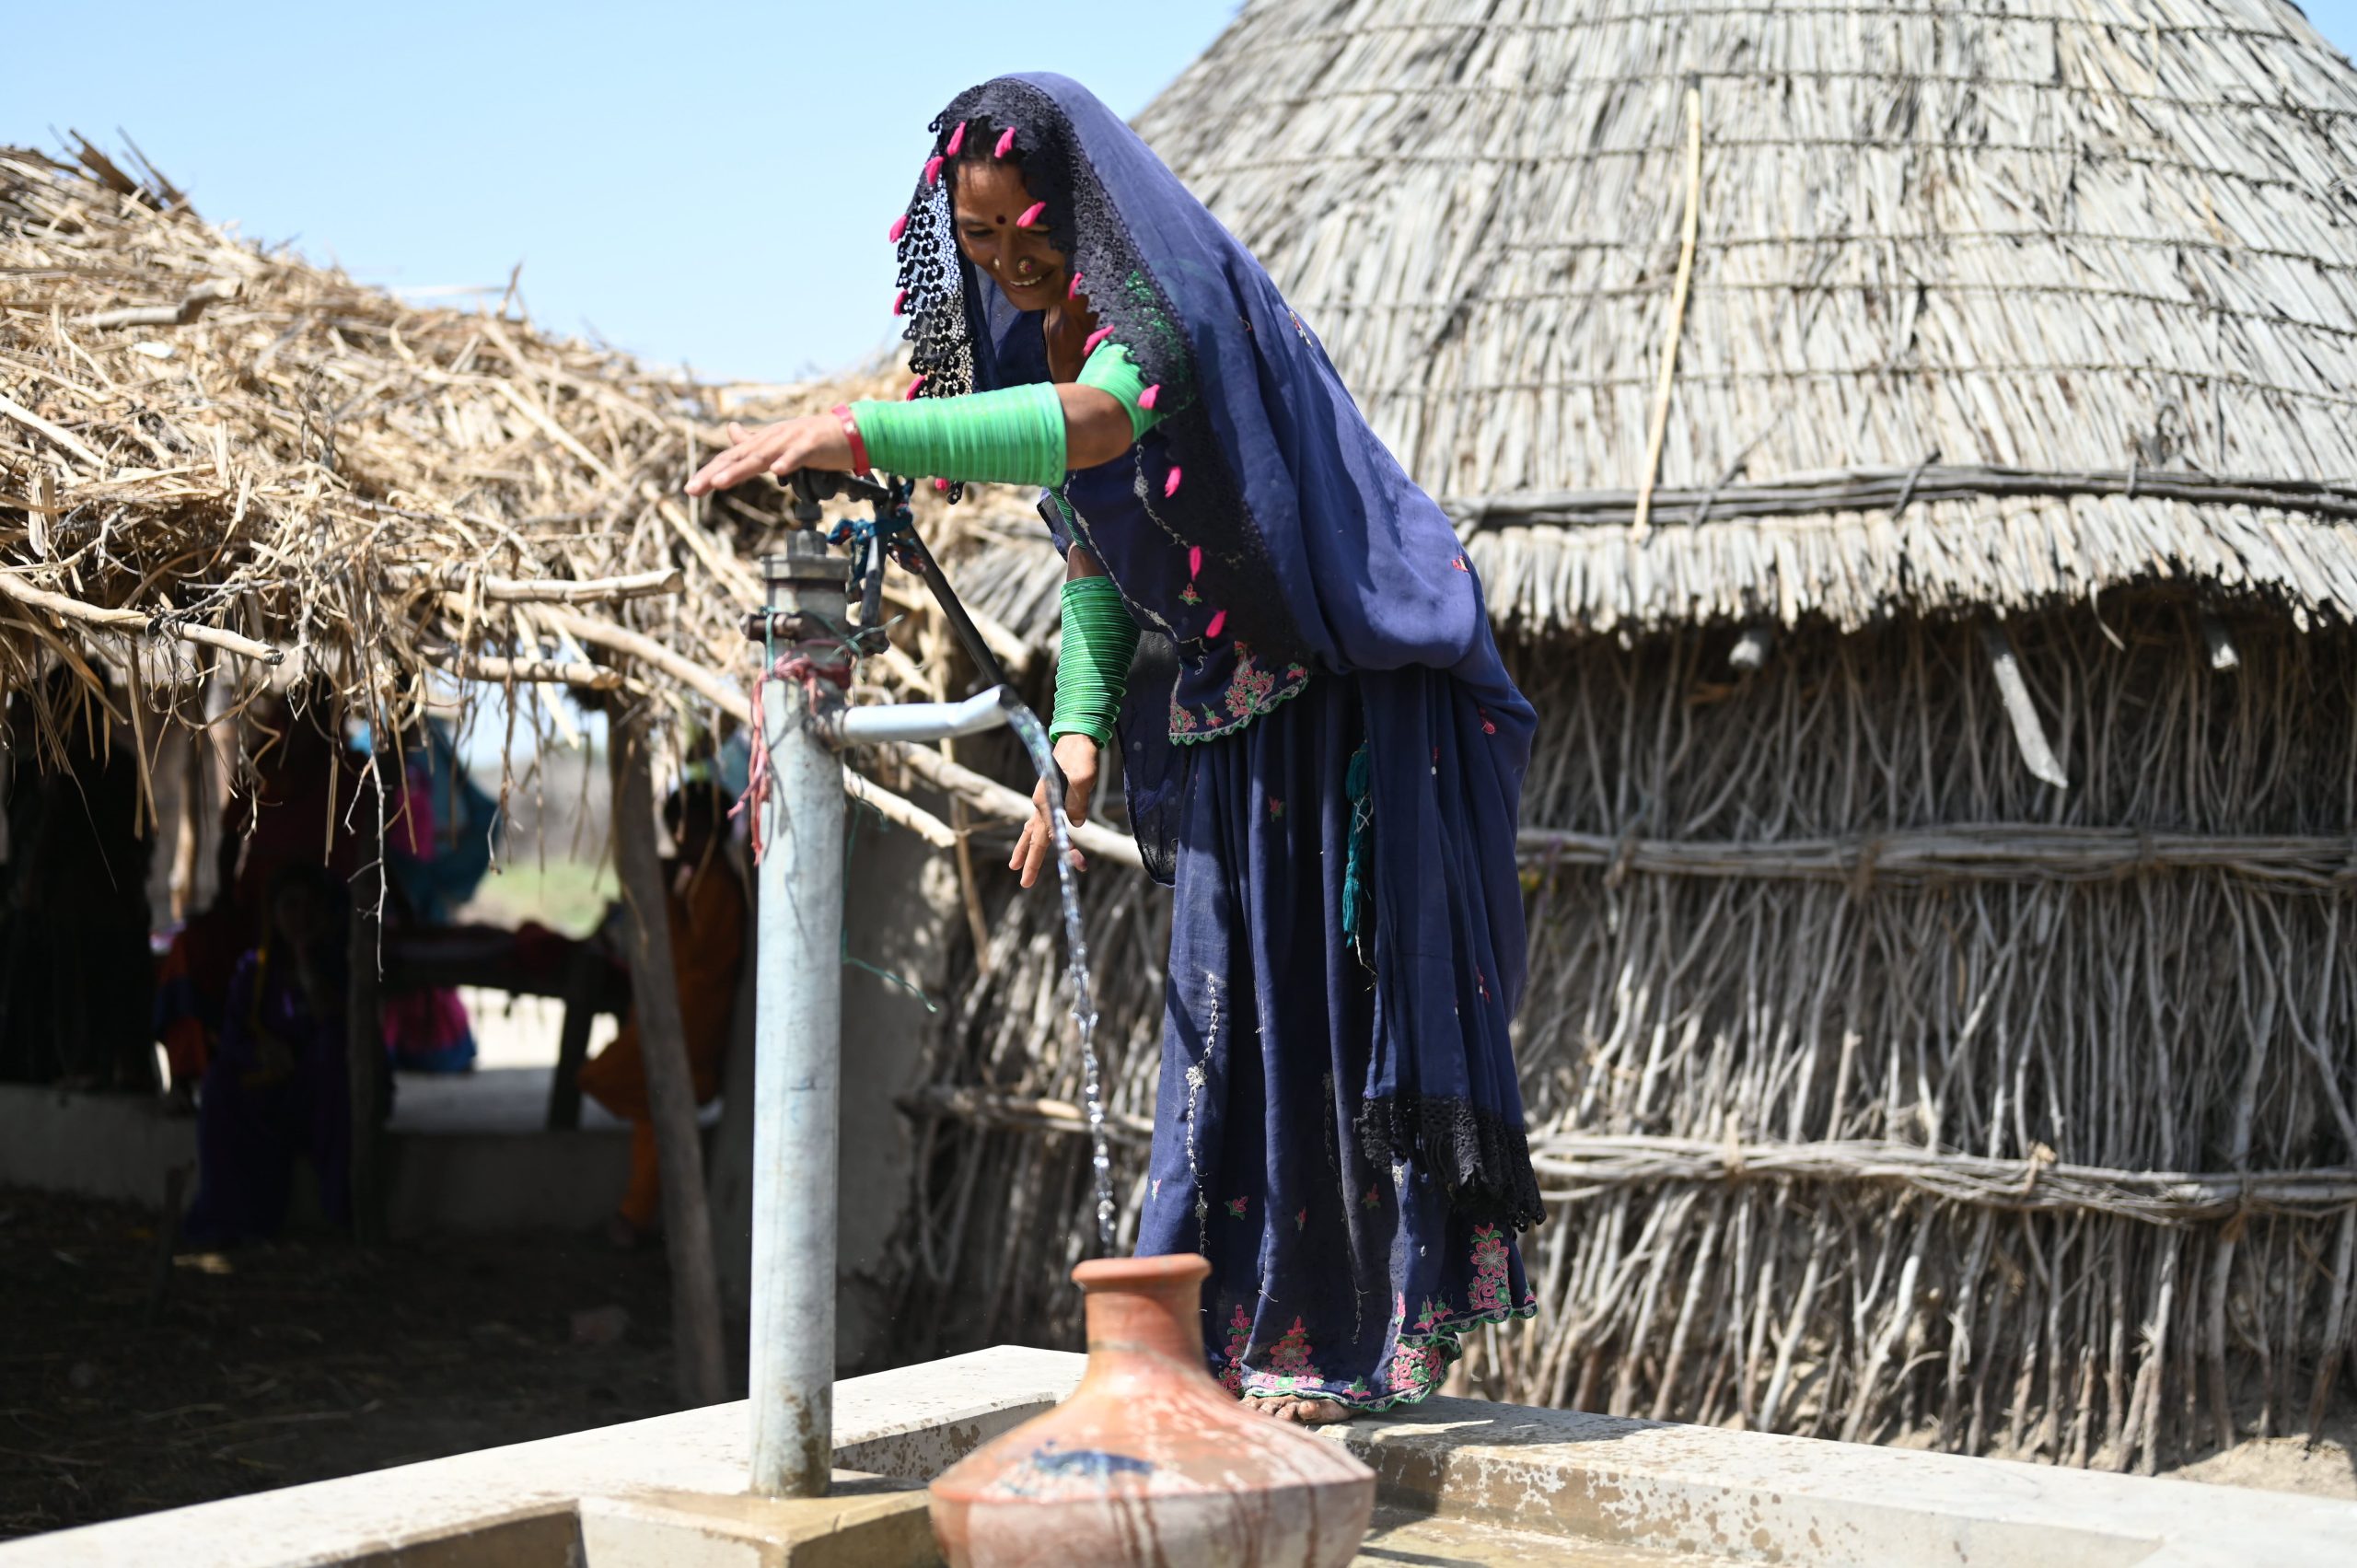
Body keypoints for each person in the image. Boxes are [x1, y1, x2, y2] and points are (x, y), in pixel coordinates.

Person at [688, 75, 1542, 1423]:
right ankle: (1212, 1347)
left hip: (1348, 701)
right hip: (1225, 712)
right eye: (978, 245)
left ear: (1079, 213)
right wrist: (1078, 737)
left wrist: (863, 430)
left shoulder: (1162, 315)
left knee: (1325, 1015)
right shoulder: (1037, 339)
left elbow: (1098, 427)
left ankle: (1331, 1348)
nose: (1012, 268)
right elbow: (1099, 562)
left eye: (1031, 238)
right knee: (1217, 1029)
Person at [576, 783, 746, 1249]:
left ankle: (635, 1218)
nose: (678, 838)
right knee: (652, 1109)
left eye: (686, 829)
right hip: (685, 1011)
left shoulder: (714, 888)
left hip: (694, 1019)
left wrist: (663, 896)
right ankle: (634, 1216)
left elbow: (684, 958)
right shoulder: (703, 881)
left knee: (608, 1078)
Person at [182, 862, 355, 1241]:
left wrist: (306, 963)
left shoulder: (341, 967)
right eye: (290, 906)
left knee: (332, 1064)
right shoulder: (255, 971)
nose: (301, 916)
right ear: (273, 913)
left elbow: (338, 1028)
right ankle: (230, 1217)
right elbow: (232, 1037)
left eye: (311, 906)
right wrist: (260, 1050)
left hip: (316, 1096)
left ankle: (338, 1210)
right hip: (270, 1091)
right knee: (219, 1085)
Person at [0, 669, 156, 1089]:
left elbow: (137, 844)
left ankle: (96, 1068)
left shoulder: (110, 768)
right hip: (62, 918)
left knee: (98, 1012)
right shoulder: (34, 772)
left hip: (96, 913)